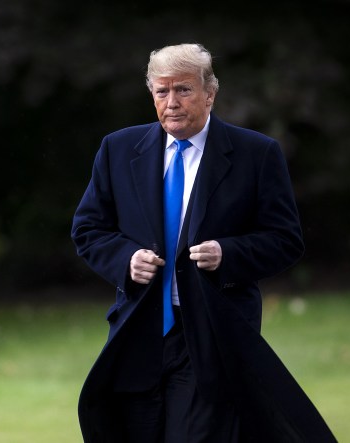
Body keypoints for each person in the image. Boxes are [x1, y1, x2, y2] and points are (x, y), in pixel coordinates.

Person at [71, 43, 336, 442]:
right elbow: (88, 228)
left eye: (184, 90)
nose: (171, 103)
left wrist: (228, 253)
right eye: (162, 92)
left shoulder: (256, 153)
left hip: (211, 334)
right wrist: (125, 260)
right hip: (137, 334)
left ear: (210, 93)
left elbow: (285, 239)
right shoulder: (117, 149)